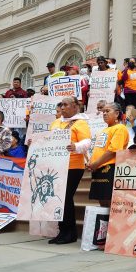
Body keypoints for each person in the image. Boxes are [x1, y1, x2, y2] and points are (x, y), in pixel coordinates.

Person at [49, 96, 91, 244]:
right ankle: (63, 231)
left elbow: (87, 142)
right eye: (61, 104)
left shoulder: (80, 123)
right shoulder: (55, 122)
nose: (63, 107)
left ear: (75, 107)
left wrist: (76, 146)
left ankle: (70, 232)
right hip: (56, 165)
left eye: (66, 104)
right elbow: (48, 140)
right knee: (58, 199)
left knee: (65, 198)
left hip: (73, 165)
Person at [87, 102, 129, 204]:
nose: (104, 113)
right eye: (103, 111)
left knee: (108, 202)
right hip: (98, 167)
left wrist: (95, 164)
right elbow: (99, 149)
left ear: (117, 113)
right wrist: (91, 162)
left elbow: (113, 151)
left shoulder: (120, 128)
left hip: (109, 168)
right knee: (101, 201)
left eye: (107, 111)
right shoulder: (104, 130)